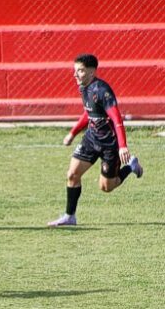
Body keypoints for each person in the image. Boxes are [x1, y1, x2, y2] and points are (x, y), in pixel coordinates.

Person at [48, 54, 143, 227]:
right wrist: (73, 132)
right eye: (75, 71)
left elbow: (117, 119)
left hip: (109, 144)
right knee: (72, 175)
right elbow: (89, 112)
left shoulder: (102, 91)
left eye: (80, 71)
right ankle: (70, 216)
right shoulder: (83, 87)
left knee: (106, 187)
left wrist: (122, 147)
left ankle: (131, 166)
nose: (75, 75)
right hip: (91, 139)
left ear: (92, 72)